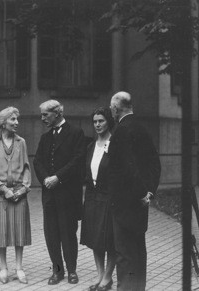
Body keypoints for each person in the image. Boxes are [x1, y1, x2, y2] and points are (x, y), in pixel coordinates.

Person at [108, 91, 161, 291]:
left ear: (115, 109)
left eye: (111, 109)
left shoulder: (120, 131)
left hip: (125, 204)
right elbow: (155, 164)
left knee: (124, 254)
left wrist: (141, 193)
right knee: (139, 251)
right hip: (141, 203)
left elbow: (127, 168)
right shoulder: (142, 129)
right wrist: (149, 193)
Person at [33, 99, 86, 285]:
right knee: (51, 234)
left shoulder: (76, 133)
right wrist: (46, 179)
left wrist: (58, 177)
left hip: (68, 194)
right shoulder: (45, 138)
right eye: (41, 115)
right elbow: (37, 162)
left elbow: (78, 160)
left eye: (45, 114)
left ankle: (71, 271)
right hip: (49, 195)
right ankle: (57, 271)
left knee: (68, 233)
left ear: (58, 113)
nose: (42, 118)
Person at [0, 107, 32, 284]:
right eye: (13, 120)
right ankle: (3, 267)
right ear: (3, 123)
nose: (16, 123)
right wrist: (5, 190)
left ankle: (19, 267)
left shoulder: (21, 142)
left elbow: (27, 168)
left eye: (16, 120)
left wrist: (23, 189)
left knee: (19, 231)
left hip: (19, 193)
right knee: (1, 231)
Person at [80, 107, 117, 291]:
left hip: (109, 197)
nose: (97, 124)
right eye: (95, 121)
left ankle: (108, 278)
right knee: (95, 239)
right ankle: (100, 275)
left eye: (101, 121)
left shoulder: (115, 144)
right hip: (93, 197)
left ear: (108, 121)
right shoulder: (90, 147)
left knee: (109, 239)